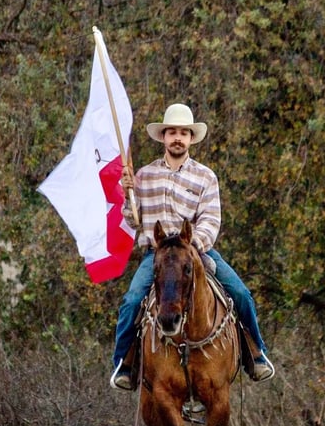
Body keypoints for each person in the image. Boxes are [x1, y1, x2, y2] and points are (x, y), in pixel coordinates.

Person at [110, 103, 275, 390]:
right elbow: (132, 220)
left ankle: (256, 354)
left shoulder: (205, 177)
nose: (177, 138)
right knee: (132, 299)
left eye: (183, 133)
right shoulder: (144, 176)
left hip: (196, 252)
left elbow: (211, 219)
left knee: (240, 293)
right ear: (163, 137)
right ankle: (124, 364)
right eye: (172, 132)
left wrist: (192, 247)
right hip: (158, 256)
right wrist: (127, 193)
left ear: (190, 138)